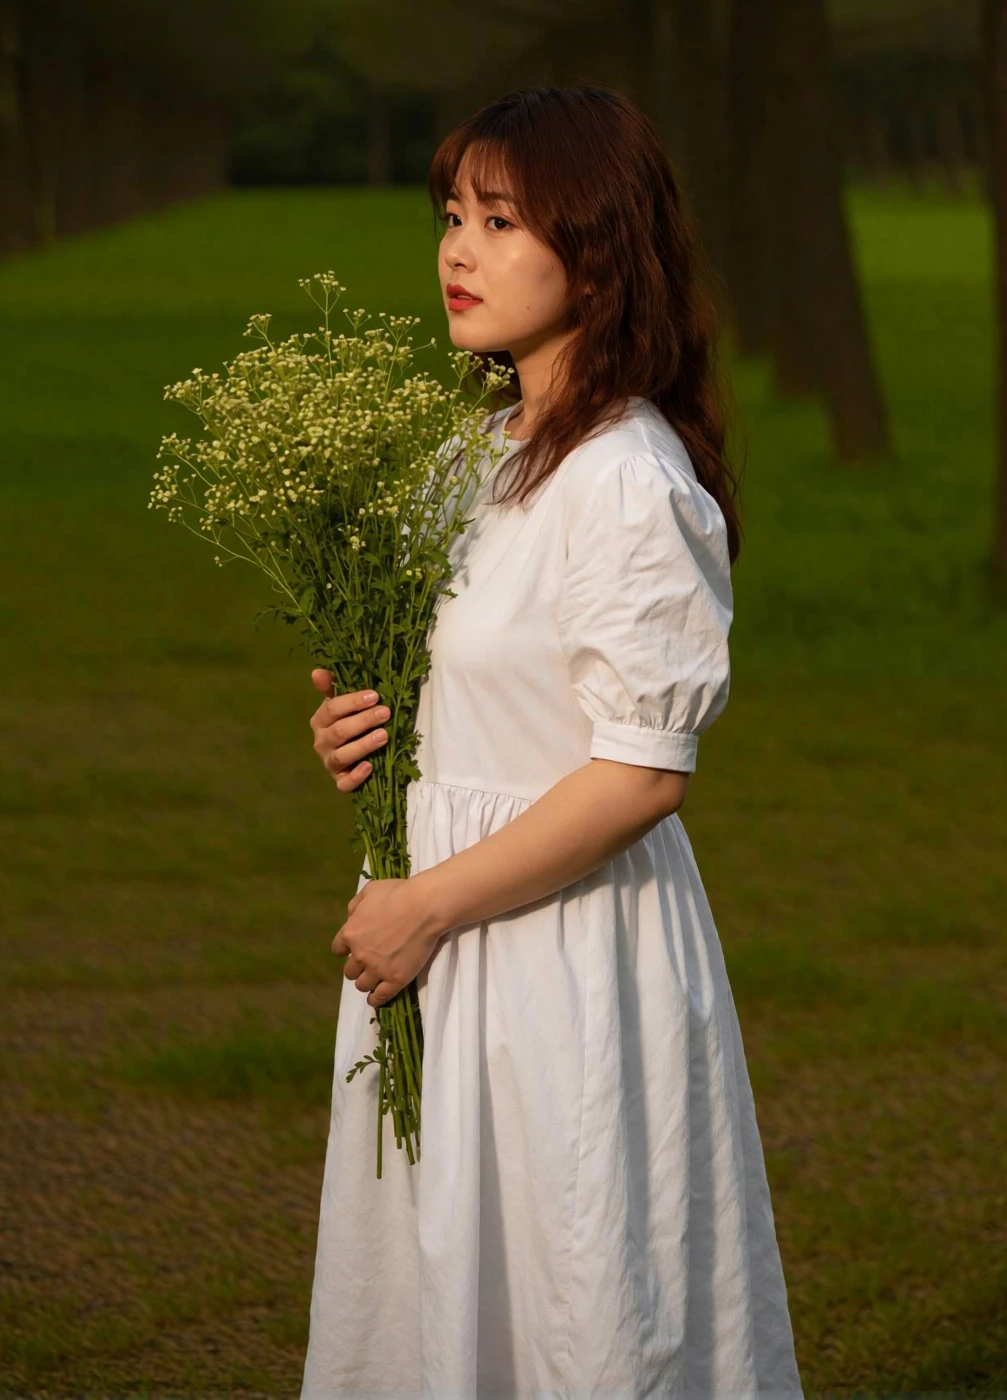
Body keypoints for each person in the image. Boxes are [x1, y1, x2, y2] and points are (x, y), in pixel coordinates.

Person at [301, 85, 802, 1400]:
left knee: (571, 1302)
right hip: (435, 944)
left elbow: (640, 773)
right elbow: (458, 692)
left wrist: (425, 908)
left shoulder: (627, 481)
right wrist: (362, 728)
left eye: (501, 219)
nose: (458, 251)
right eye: (451, 215)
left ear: (595, 244)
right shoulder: (469, 455)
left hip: (560, 957)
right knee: (433, 1300)